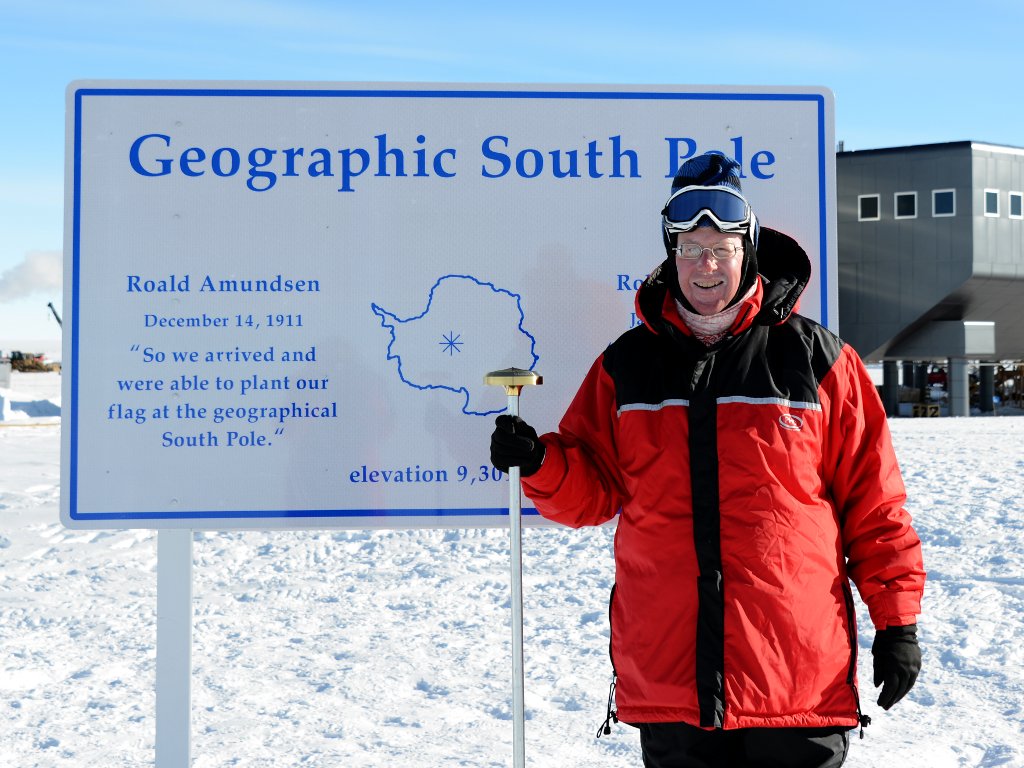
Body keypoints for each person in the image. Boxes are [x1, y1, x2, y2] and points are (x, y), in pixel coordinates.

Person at [489, 152, 925, 768]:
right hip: (672, 677)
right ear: (672, 254)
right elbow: (591, 493)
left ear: (749, 250)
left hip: (795, 672)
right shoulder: (627, 366)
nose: (707, 264)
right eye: (691, 248)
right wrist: (538, 462)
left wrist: (897, 622)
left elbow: (874, 504)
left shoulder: (818, 360)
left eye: (722, 247)